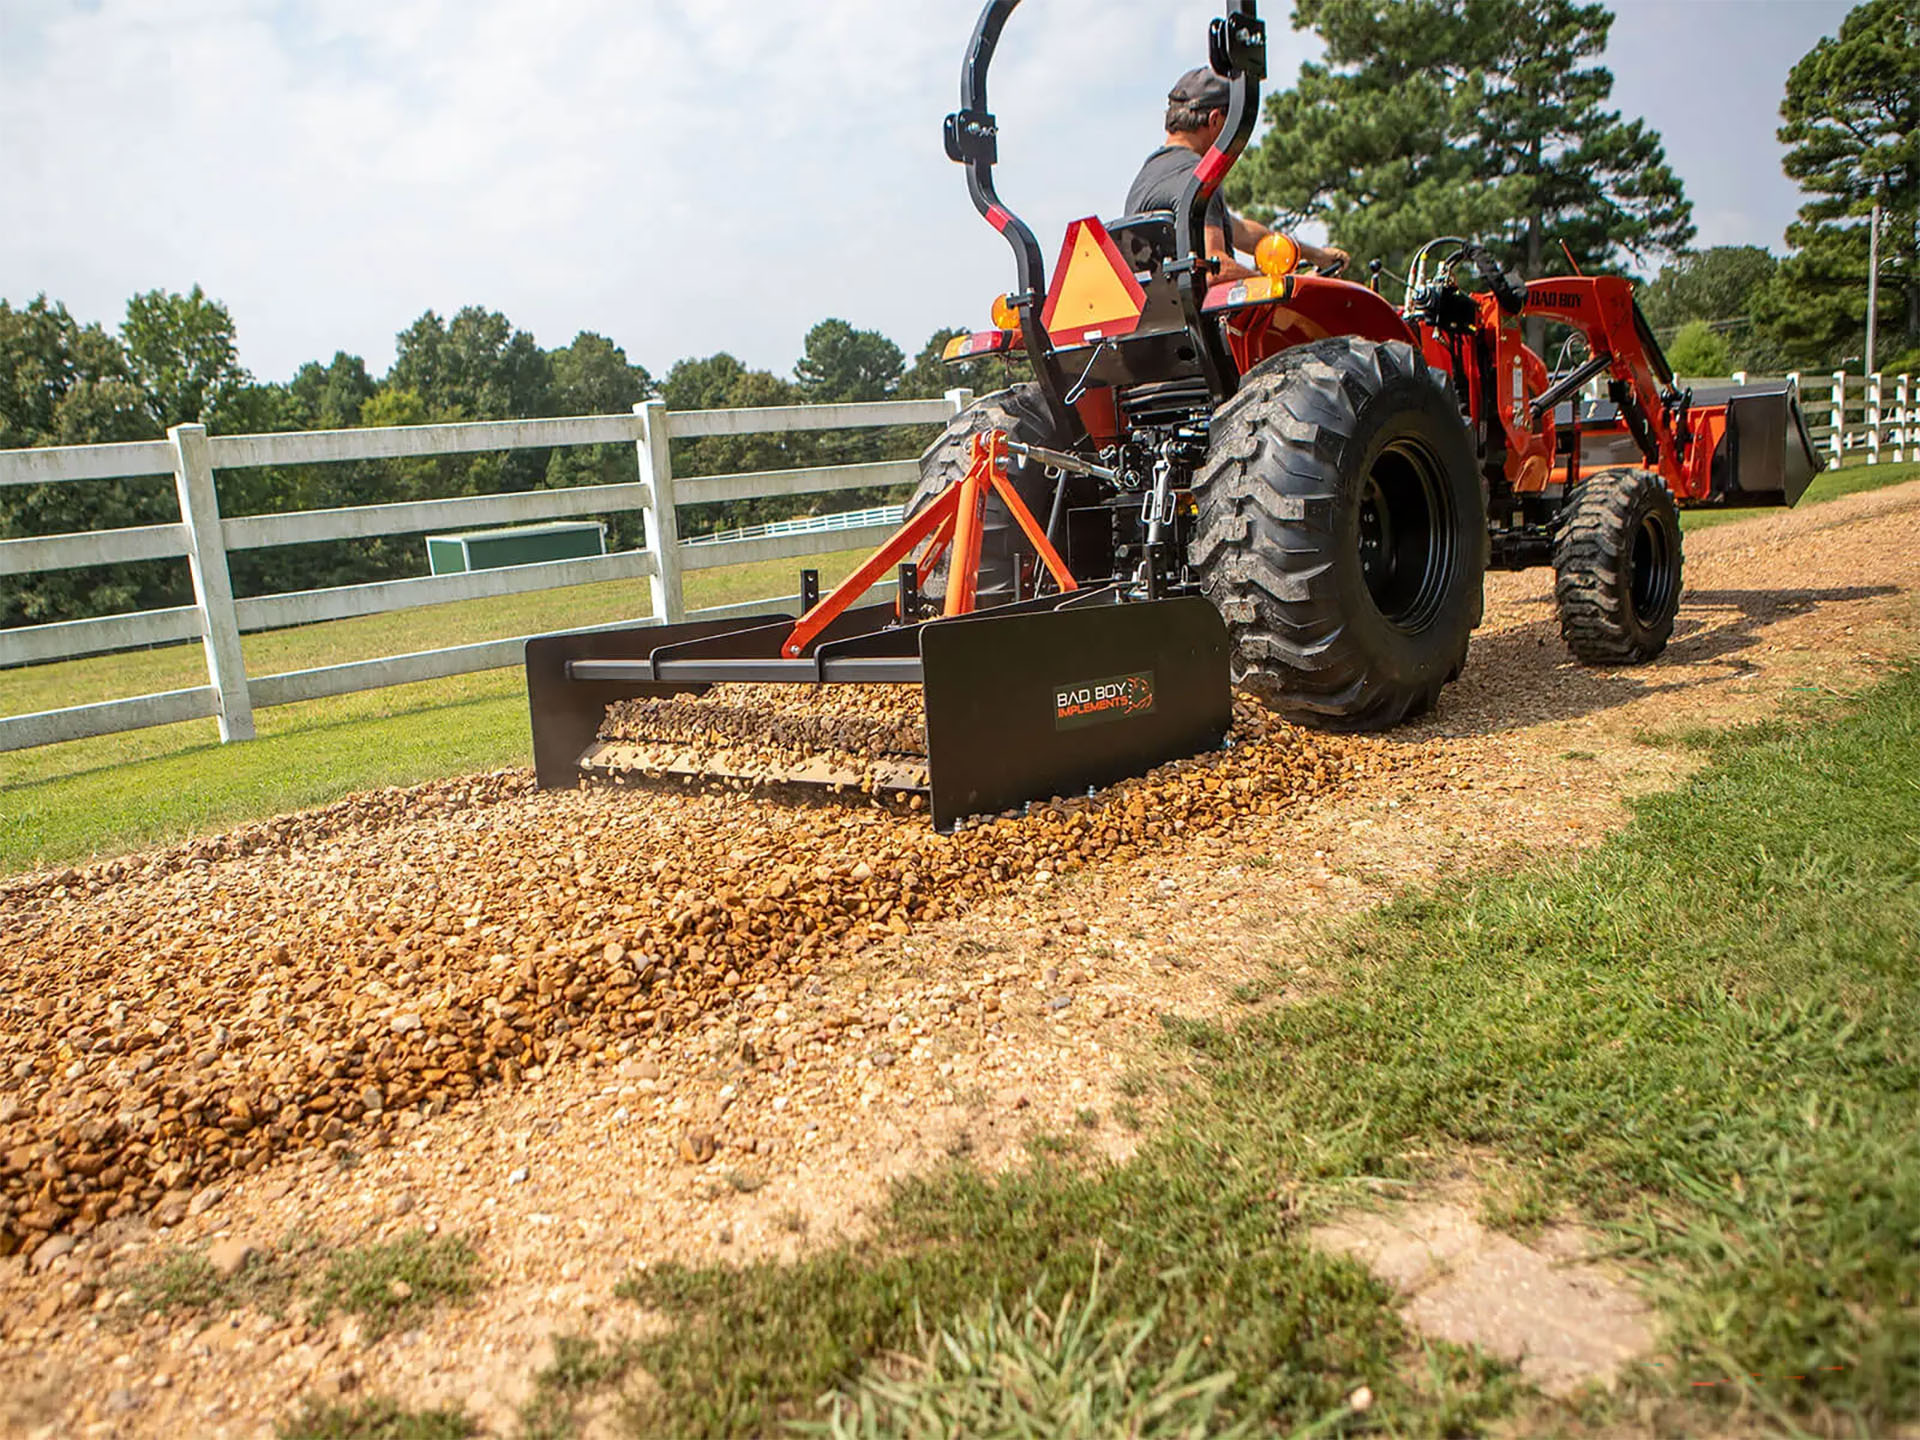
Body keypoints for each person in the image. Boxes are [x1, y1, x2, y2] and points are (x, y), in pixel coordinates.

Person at [1124, 67, 1348, 283]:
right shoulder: (1198, 180)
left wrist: (1315, 255)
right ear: (1215, 120)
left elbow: (1242, 232)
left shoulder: (1147, 178)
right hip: (1206, 320)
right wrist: (1284, 284)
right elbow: (1216, 269)